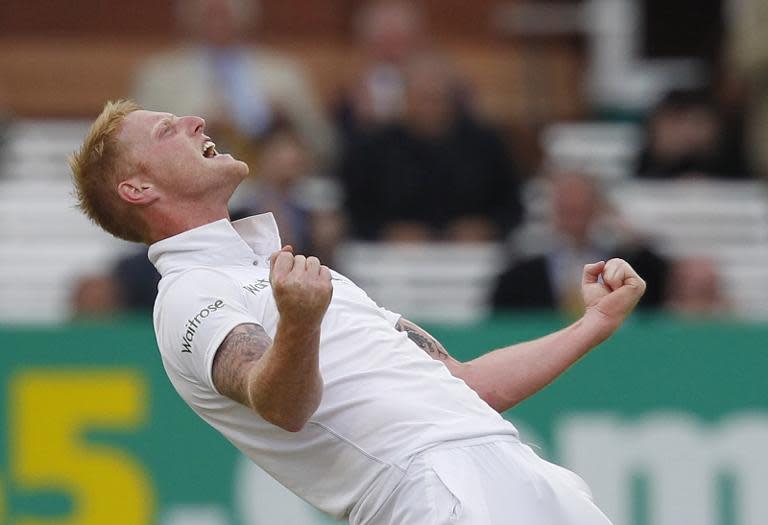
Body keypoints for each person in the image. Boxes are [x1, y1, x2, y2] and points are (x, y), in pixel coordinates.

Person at [69, 100, 647, 524]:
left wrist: (594, 324)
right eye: (166, 130)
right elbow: (278, 405)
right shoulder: (188, 294)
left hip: (515, 468)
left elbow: (465, 384)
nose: (194, 121)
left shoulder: (285, 271)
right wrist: (299, 323)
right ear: (137, 189)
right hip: (432, 490)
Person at [340, 53, 523, 242]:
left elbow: (512, 206)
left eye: (437, 98)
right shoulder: (372, 148)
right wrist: (385, 232)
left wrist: (487, 228)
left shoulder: (486, 144)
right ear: (406, 98)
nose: (430, 108)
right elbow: (353, 209)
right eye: (422, 98)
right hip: (389, 259)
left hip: (473, 255)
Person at [133, 0, 335, 166]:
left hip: (270, 191)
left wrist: (287, 123)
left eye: (225, 11)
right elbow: (139, 148)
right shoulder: (158, 77)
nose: (218, 21)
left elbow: (325, 146)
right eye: (210, 12)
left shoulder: (284, 74)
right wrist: (200, 129)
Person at [492, 172, 668, 315]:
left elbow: (657, 292)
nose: (574, 222)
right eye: (566, 212)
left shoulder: (632, 263)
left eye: (581, 211)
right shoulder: (521, 275)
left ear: (598, 211)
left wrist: (631, 238)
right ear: (553, 213)